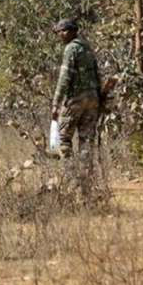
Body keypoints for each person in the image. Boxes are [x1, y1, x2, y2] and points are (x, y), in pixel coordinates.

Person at [51, 18, 102, 195]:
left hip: (76, 99)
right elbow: (97, 74)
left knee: (63, 139)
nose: (60, 35)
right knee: (86, 140)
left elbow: (64, 78)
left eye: (63, 31)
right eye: (59, 32)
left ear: (72, 31)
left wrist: (56, 103)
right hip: (92, 99)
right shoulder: (87, 48)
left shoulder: (71, 48)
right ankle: (86, 181)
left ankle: (72, 179)